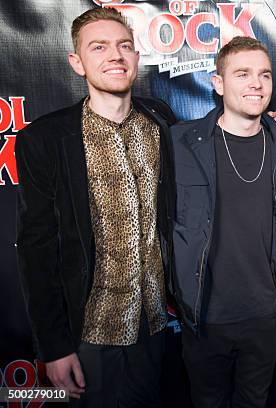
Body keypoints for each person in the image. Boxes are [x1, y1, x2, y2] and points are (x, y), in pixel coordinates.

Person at [15, 7, 176, 407]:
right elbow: (37, 247)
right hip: (89, 336)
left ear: (137, 56)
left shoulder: (162, 121)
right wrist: (53, 347)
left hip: (157, 328)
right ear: (77, 63)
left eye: (124, 46)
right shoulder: (47, 138)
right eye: (99, 47)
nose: (115, 56)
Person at [170, 36, 276, 408]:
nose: (256, 83)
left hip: (265, 315)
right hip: (205, 315)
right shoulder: (180, 143)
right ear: (218, 83)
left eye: (264, 75)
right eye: (242, 74)